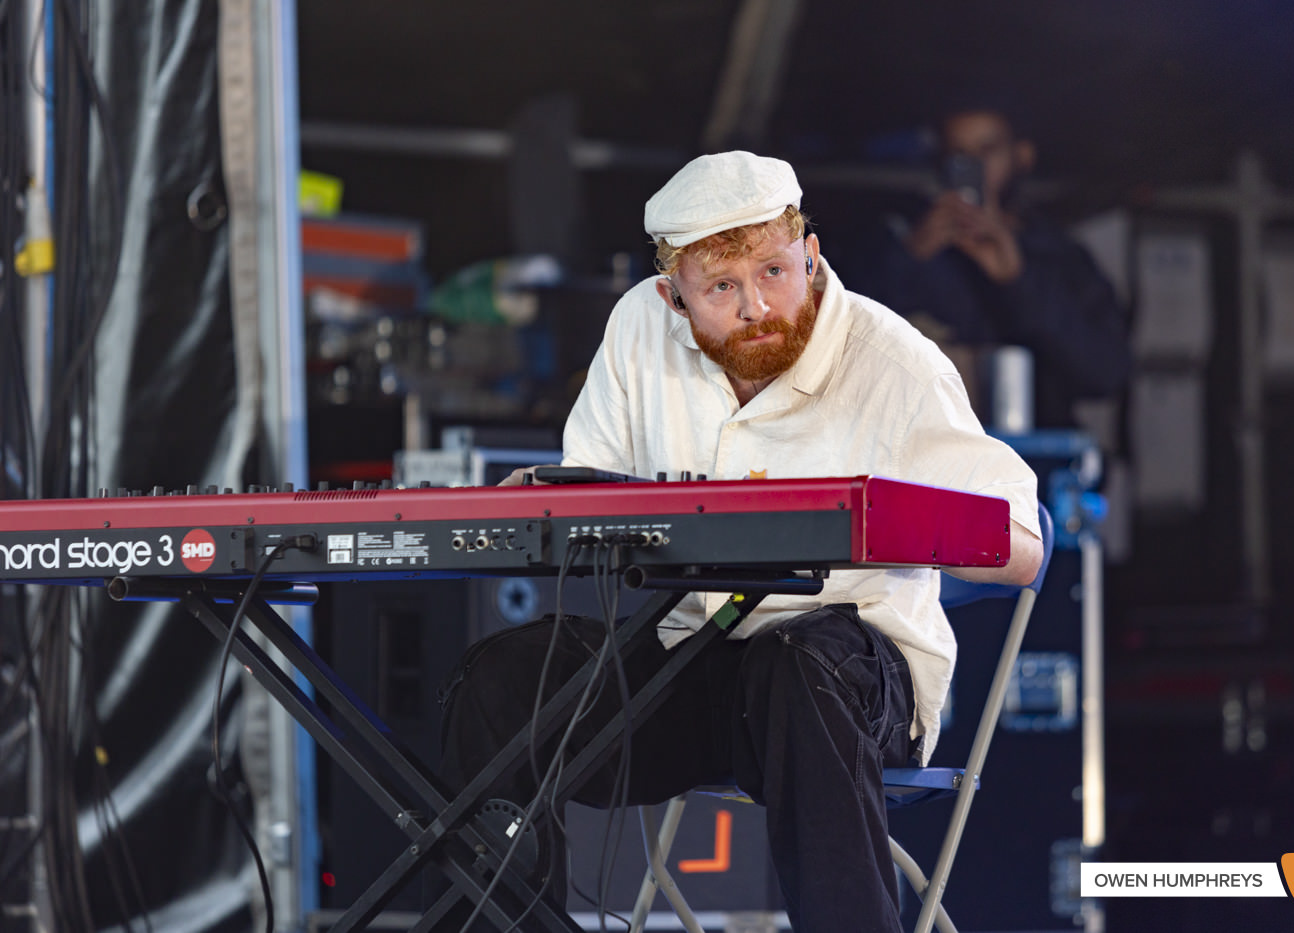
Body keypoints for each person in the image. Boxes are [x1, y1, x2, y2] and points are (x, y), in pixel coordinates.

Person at [438, 151, 1041, 932]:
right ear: (674, 297)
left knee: (792, 663)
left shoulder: (893, 362)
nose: (757, 306)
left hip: (852, 685)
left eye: (775, 272)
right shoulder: (638, 327)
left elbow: (1022, 545)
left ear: (811, 255)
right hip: (695, 663)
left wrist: (889, 520)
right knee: (500, 681)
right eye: (722, 287)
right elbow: (588, 492)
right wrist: (540, 504)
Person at [859, 103, 1131, 428]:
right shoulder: (906, 246)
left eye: (987, 150)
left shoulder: (1058, 255)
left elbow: (1105, 373)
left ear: (1022, 156)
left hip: (1032, 455)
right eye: (958, 154)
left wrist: (1020, 278)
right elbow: (846, 355)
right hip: (929, 455)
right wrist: (910, 258)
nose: (973, 166)